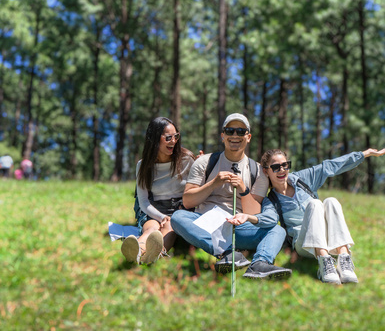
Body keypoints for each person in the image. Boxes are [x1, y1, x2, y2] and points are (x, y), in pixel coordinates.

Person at [171, 113, 292, 280]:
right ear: (223, 136)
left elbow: (255, 213)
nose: (235, 135)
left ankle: (259, 264)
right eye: (230, 131)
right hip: (207, 224)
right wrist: (213, 183)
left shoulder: (257, 171)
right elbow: (188, 201)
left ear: (248, 137)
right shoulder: (204, 162)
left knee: (277, 230)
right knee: (178, 217)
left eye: (241, 132)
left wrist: (243, 189)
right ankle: (228, 254)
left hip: (239, 227)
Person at [257, 147, 385, 284]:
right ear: (266, 171)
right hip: (304, 245)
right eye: (276, 167)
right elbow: (268, 219)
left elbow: (331, 166)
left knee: (331, 201)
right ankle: (324, 263)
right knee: (315, 204)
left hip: (326, 237)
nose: (282, 170)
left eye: (285, 165)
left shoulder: (302, 180)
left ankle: (344, 260)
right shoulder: (271, 200)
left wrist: (363, 154)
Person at [121, 117, 195, 265]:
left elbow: (195, 189)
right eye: (168, 137)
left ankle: (154, 255)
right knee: (151, 228)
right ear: (155, 139)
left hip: (181, 208)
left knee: (170, 227)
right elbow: (143, 201)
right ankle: (136, 252)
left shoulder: (187, 159)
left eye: (176, 136)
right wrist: (161, 217)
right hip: (154, 208)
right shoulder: (143, 165)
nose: (173, 141)